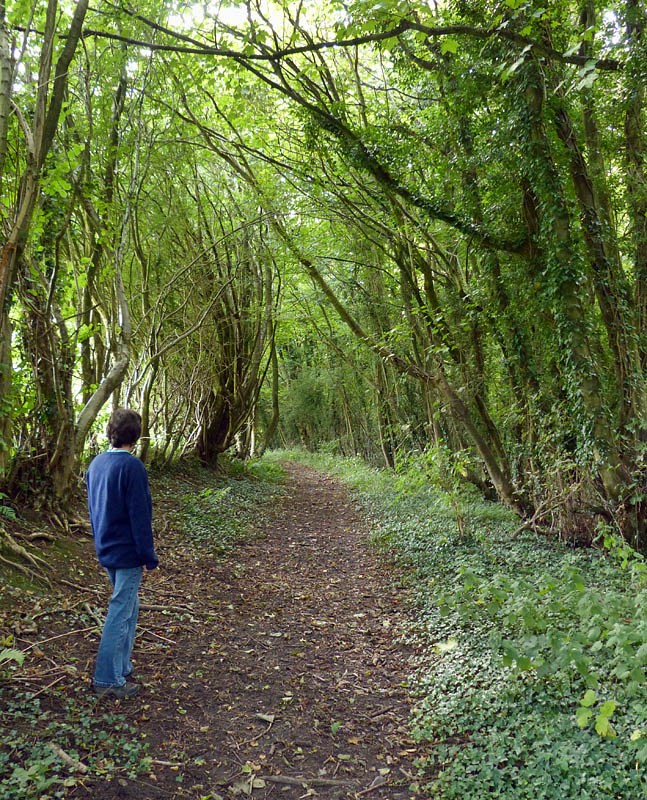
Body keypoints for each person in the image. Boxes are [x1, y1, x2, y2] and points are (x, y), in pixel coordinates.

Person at [86, 408, 158, 698]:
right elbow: (140, 515)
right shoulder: (132, 467)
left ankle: (121, 666)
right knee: (120, 610)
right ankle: (107, 679)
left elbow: (93, 510)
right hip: (126, 552)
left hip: (106, 548)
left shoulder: (96, 463)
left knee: (130, 606)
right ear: (136, 436)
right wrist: (147, 556)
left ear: (111, 433)